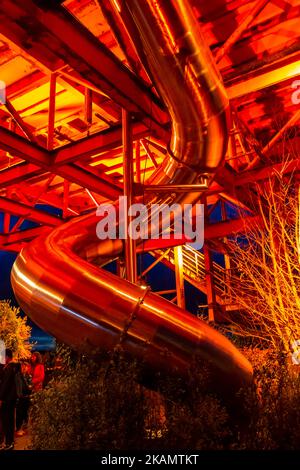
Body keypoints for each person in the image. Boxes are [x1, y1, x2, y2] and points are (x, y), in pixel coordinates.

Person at [0, 349, 22, 451]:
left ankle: (9, 443)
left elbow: (5, 385)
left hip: (7, 399)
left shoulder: (9, 367)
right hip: (12, 398)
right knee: (10, 420)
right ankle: (10, 442)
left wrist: (1, 398)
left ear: (7, 356)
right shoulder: (15, 367)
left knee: (7, 421)